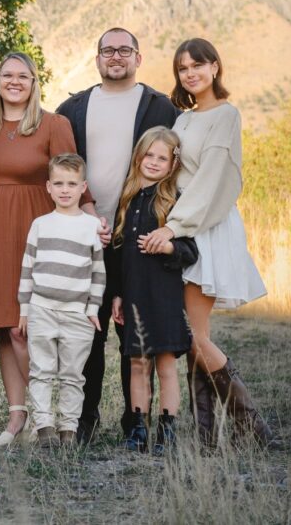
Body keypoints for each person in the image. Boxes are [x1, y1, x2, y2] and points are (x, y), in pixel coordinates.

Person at [138, 39, 278, 447]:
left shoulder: (226, 115)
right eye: (183, 69)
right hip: (180, 225)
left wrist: (175, 226)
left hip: (205, 225)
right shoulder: (183, 120)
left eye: (198, 65)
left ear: (215, 67)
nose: (190, 74)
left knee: (192, 336)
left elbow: (214, 177)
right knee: (192, 335)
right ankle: (205, 436)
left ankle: (252, 428)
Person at [56, 27, 178, 443]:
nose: (116, 57)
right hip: (86, 235)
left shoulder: (161, 107)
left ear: (138, 58)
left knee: (136, 335)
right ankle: (84, 420)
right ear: (97, 59)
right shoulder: (73, 107)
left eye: (125, 50)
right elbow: (58, 165)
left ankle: (136, 422)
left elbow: (178, 166)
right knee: (87, 332)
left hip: (138, 238)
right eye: (108, 50)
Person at [0, 52, 90, 449]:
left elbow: (73, 178)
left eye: (23, 75)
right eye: (7, 75)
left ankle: (49, 416)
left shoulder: (53, 124)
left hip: (37, 231)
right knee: (7, 328)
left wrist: (91, 222)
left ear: (35, 82)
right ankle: (17, 417)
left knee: (27, 329)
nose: (15, 82)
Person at [109, 127, 198, 455]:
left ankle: (168, 428)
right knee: (137, 365)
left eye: (163, 158)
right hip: (133, 296)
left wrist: (168, 248)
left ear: (173, 164)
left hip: (164, 298)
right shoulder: (127, 198)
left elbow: (190, 251)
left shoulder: (173, 202)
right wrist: (117, 294)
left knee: (165, 366)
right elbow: (119, 253)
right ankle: (138, 428)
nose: (154, 162)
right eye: (149, 155)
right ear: (139, 157)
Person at [17, 153, 105, 448]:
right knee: (40, 370)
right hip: (42, 308)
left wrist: (92, 308)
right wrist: (24, 310)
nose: (65, 189)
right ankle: (44, 428)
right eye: (58, 183)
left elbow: (98, 272)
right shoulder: (40, 224)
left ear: (83, 187)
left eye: (71, 183)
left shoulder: (92, 226)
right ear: (48, 187)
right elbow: (27, 267)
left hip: (77, 312)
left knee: (72, 374)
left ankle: (68, 430)